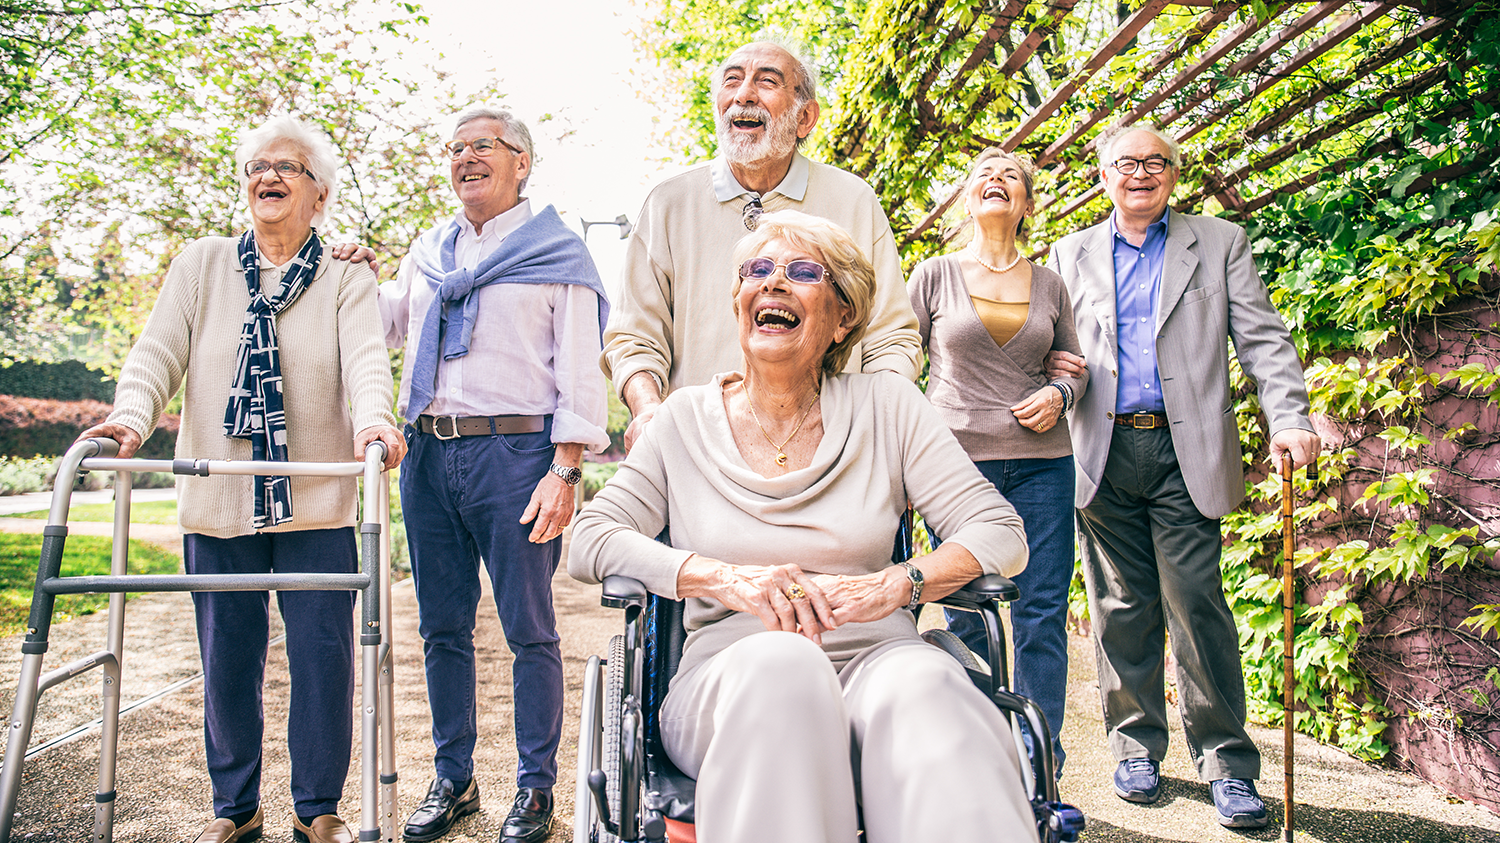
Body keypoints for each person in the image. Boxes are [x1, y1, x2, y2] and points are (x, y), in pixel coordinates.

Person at [572, 210, 1035, 843]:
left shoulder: (890, 408)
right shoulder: (682, 421)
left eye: (802, 272)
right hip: (731, 672)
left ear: (843, 316)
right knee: (786, 670)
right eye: (757, 272)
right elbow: (592, 536)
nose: (773, 285)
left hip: (878, 655)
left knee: (931, 686)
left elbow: (999, 530)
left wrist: (898, 585)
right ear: (738, 304)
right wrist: (720, 578)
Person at [77, 115, 405, 843]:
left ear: (318, 195)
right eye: (258, 165)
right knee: (228, 660)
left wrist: (373, 423)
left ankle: (318, 807)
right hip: (221, 498)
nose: (269, 175)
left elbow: (365, 361)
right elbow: (157, 350)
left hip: (313, 501)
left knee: (322, 661)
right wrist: (130, 419)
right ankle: (236, 808)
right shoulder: (202, 264)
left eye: (288, 165)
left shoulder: (346, 275)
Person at [1047, 124, 1320, 828]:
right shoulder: (1070, 252)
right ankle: (1135, 745)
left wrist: (1288, 414)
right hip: (1101, 448)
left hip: (1184, 449)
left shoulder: (1218, 241)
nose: (1140, 173)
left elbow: (1262, 336)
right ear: (1103, 173)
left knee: (1197, 604)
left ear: (1174, 172)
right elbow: (1053, 350)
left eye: (1155, 162)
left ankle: (1227, 761)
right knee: (1119, 606)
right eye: (1125, 163)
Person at [378, 106, 610, 843]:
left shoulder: (557, 252)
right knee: (441, 626)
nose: (465, 157)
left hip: (516, 457)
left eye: (483, 145)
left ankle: (535, 788)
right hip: (428, 454)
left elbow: (580, 367)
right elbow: (383, 323)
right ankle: (455, 777)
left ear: (522, 162)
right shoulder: (428, 253)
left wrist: (565, 469)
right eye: (455, 148)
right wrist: (345, 266)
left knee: (528, 629)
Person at [602, 38, 922, 451]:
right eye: (731, 81)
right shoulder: (668, 203)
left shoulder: (853, 200)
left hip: (829, 452)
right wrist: (647, 410)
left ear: (805, 117)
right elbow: (633, 338)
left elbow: (890, 336)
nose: (743, 94)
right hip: (697, 452)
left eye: (767, 81)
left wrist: (880, 425)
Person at [907, 148, 1087, 772]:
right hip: (956, 466)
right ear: (967, 198)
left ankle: (1040, 763)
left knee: (1040, 611)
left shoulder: (1051, 284)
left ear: (1026, 203)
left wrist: (1061, 393)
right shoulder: (933, 276)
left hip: (1043, 463)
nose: (996, 180)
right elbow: (900, 365)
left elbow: (1075, 367)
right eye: (983, 173)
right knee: (967, 606)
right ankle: (978, 754)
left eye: (1011, 175)